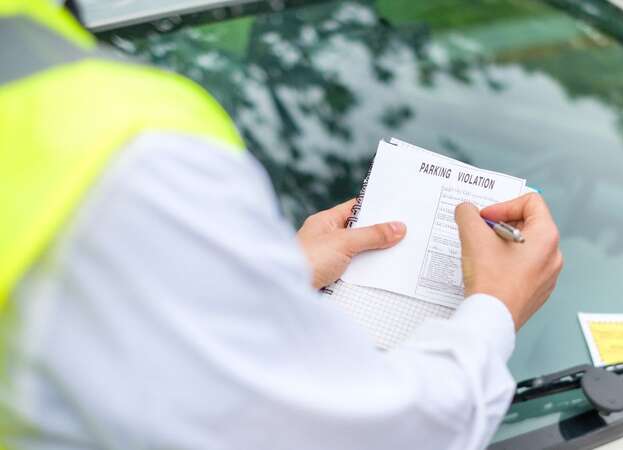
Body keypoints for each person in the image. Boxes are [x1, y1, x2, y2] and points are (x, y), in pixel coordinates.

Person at [0, 1, 563, 449]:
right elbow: (346, 435)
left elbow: (81, 332)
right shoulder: (119, 146)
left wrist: (277, 275)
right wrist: (495, 308)